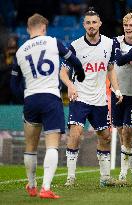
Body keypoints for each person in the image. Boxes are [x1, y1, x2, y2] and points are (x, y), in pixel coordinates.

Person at [10, 13, 85, 199]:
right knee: (52, 145)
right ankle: (45, 188)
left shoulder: (20, 51)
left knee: (30, 146)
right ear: (44, 28)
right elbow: (73, 60)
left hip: (31, 100)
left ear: (28, 29)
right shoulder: (53, 42)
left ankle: (32, 185)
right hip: (51, 98)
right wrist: (80, 73)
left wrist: (25, 98)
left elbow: (13, 84)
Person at [60, 8, 123, 187]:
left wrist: (117, 90)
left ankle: (104, 178)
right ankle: (70, 178)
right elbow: (63, 72)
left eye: (94, 22)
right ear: (83, 25)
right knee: (76, 133)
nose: (91, 26)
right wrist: (70, 85)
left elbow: (111, 69)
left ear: (100, 24)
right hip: (80, 97)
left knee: (105, 137)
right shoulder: (75, 46)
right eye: (88, 22)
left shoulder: (110, 44)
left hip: (100, 99)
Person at [112, 13, 132, 186]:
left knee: (128, 132)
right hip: (117, 92)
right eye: (126, 25)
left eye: (131, 25)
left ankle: (123, 175)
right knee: (121, 134)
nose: (128, 28)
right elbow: (119, 60)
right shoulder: (116, 42)